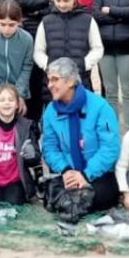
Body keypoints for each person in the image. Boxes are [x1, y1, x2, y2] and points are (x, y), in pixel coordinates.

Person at [40, 57, 121, 213]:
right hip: (68, 174)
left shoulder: (100, 106)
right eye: (49, 80)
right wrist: (66, 171)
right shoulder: (51, 111)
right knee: (57, 197)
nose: (50, 85)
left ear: (70, 81)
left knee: (93, 197)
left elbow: (110, 148)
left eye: (55, 80)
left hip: (97, 174)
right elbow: (49, 147)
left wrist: (85, 174)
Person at [1, 0, 52, 121]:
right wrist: (39, 6)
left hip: (42, 37)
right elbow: (21, 2)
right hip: (21, 38)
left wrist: (34, 9)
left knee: (38, 85)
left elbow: (50, 6)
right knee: (23, 81)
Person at [34, 0, 103, 97]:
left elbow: (97, 48)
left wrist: (84, 64)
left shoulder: (88, 20)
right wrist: (49, 65)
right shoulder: (46, 21)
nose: (62, 4)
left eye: (66, 0)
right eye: (58, 0)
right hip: (53, 84)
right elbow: (38, 51)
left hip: (80, 81)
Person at [0, 0, 34, 107]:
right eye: (2, 24)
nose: (7, 29)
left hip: (19, 94)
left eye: (12, 25)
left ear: (19, 21)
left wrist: (18, 95)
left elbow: (27, 67)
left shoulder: (27, 39)